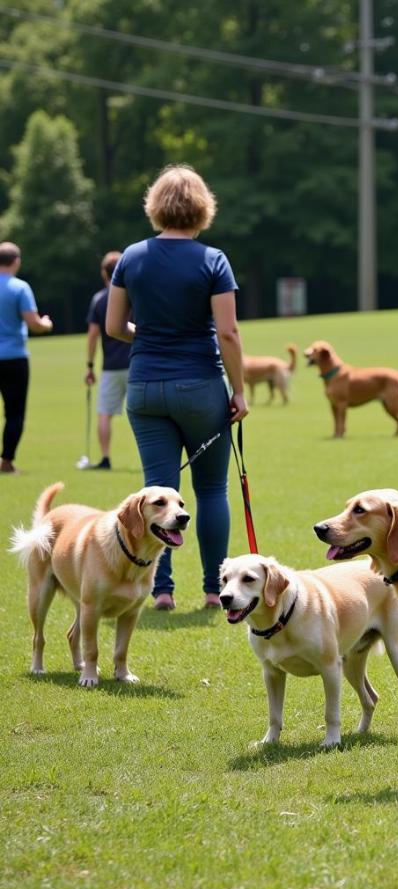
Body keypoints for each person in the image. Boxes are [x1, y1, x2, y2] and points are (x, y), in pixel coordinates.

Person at [106, 165, 248, 611]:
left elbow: (114, 326)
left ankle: (161, 589)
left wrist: (147, 337)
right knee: (209, 491)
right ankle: (213, 588)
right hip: (200, 385)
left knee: (158, 489)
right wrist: (239, 391)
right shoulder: (213, 260)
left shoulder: (131, 256)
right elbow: (228, 333)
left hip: (145, 385)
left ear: (155, 205)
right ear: (203, 207)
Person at [0, 241, 53, 474]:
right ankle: (7, 461)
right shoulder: (20, 287)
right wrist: (46, 324)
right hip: (13, 358)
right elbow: (34, 323)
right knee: (14, 413)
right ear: (16, 261)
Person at [85, 251, 128, 469]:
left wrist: (90, 366)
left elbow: (93, 335)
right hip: (137, 363)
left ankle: (105, 458)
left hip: (111, 366)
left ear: (104, 273)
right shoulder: (133, 295)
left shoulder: (99, 299)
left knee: (104, 413)